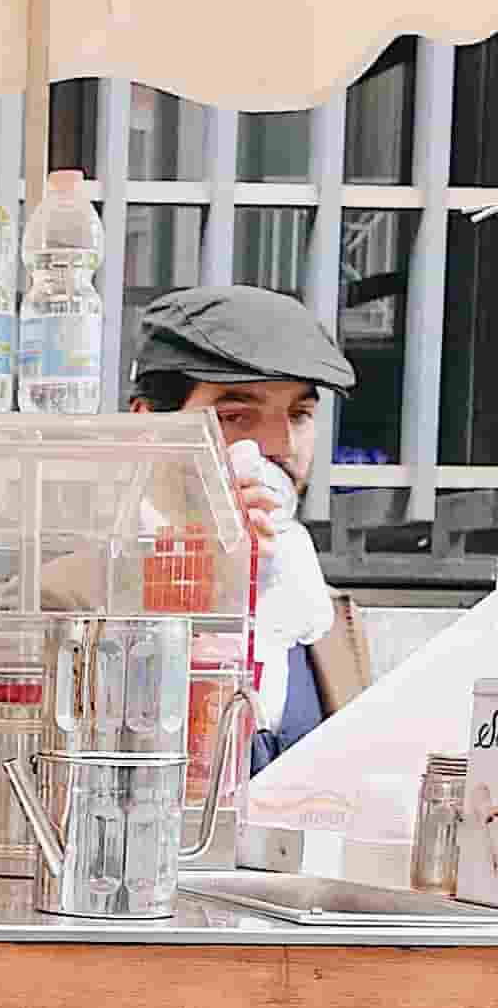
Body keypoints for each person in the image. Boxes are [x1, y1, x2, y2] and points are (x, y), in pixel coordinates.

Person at [125, 284, 354, 765]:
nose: (280, 444)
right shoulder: (70, 595)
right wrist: (212, 579)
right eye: (236, 416)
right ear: (149, 427)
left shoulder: (320, 608)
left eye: (299, 414)